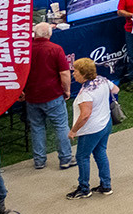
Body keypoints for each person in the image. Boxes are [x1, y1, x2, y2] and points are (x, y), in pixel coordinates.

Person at [23, 22, 73, 171]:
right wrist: (67, 91)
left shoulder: (26, 51)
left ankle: (39, 161)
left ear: (35, 34)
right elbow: (64, 73)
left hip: (32, 96)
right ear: (49, 34)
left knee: (37, 128)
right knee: (61, 126)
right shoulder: (55, 49)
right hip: (53, 95)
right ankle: (65, 159)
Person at [66, 57, 116, 199]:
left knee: (82, 156)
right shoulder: (102, 80)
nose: (73, 74)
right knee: (100, 153)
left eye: (75, 71)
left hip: (91, 130)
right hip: (106, 123)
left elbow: (85, 115)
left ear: (83, 74)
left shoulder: (86, 93)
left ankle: (84, 188)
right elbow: (116, 89)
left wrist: (73, 131)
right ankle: (106, 185)